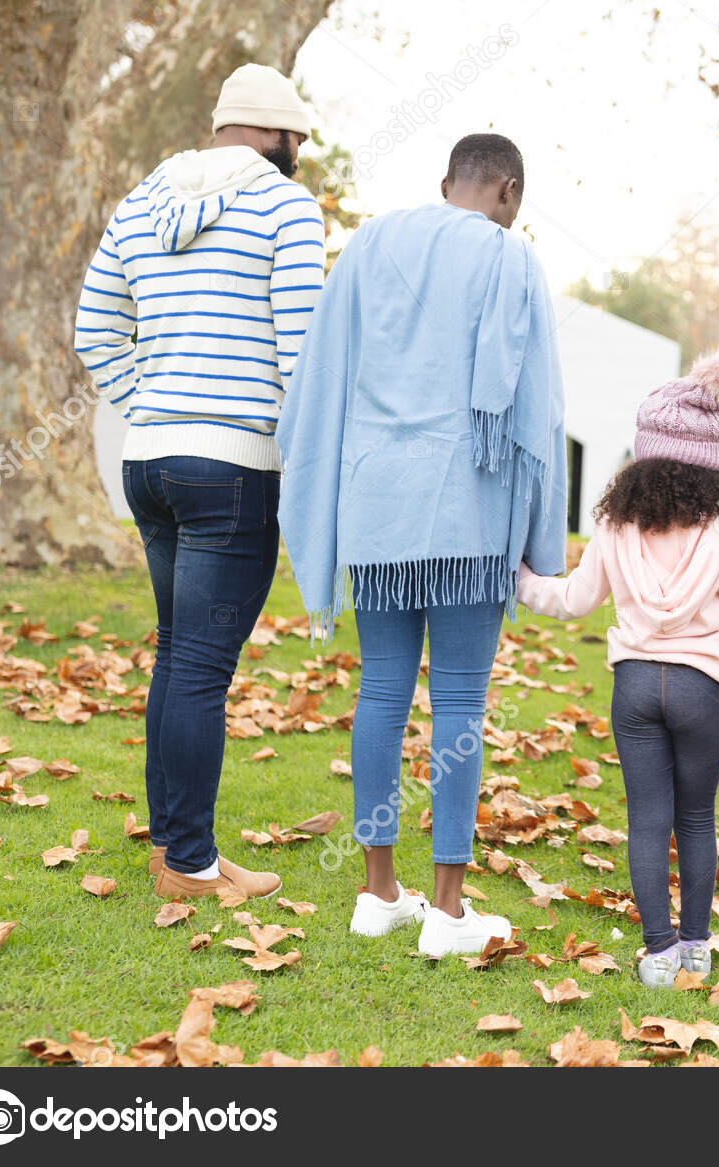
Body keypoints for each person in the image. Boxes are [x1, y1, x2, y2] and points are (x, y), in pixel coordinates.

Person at [276, 133, 566, 957]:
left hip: (375, 506)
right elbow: (537, 411)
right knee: (462, 705)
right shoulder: (512, 261)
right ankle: (446, 910)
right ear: (506, 191)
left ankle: (378, 894)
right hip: (466, 512)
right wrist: (544, 544)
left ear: (448, 184)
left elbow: (320, 369)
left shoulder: (368, 243)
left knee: (382, 691)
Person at [73, 63, 324, 902]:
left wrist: (149, 400)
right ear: (280, 137)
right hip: (232, 468)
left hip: (149, 460)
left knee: (179, 654)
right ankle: (187, 864)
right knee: (200, 668)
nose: (301, 155)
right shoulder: (287, 206)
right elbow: (303, 352)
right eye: (300, 140)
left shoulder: (141, 199)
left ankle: (180, 851)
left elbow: (93, 327)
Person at [517, 349, 719, 988]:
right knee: (696, 817)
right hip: (701, 692)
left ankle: (658, 954)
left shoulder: (615, 523)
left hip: (634, 685)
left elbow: (574, 600)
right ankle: (696, 946)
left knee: (646, 818)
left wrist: (523, 582)